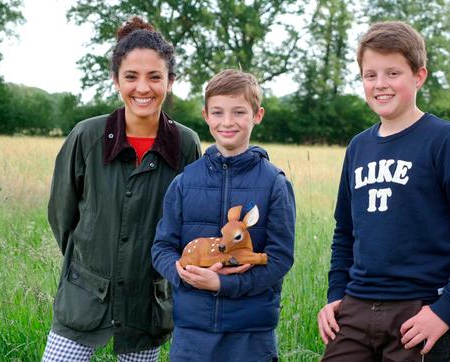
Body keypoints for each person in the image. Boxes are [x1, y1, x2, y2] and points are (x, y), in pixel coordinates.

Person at [317, 21, 450, 362]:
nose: (380, 84)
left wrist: (446, 311)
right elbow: (345, 232)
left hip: (417, 312)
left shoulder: (443, 141)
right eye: (370, 75)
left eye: (393, 73)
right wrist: (334, 295)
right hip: (355, 310)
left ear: (419, 76)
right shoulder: (358, 147)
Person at [42, 17, 201, 361]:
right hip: (83, 296)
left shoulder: (186, 144)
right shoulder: (87, 136)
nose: (142, 88)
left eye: (155, 76)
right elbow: (61, 214)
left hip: (148, 304)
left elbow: (187, 221)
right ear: (116, 80)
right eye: (131, 76)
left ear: (170, 81)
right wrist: (89, 263)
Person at [152, 69, 295, 362]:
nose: (227, 122)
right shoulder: (184, 181)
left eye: (239, 112)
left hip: (250, 335)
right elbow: (162, 248)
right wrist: (181, 274)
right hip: (192, 334)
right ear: (206, 116)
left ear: (257, 115)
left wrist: (224, 285)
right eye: (218, 112)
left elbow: (280, 258)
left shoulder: (274, 183)